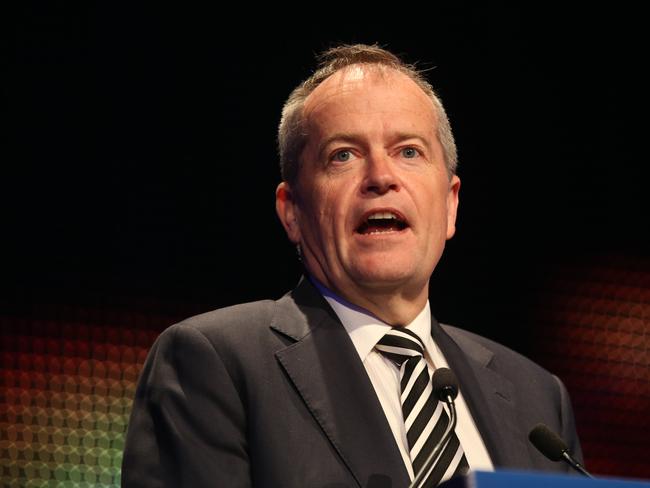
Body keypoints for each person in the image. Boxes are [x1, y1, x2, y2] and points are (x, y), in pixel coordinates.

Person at [121, 44, 582, 487]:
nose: (381, 177)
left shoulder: (536, 397)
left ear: (450, 205)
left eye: (409, 151)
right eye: (343, 155)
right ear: (293, 212)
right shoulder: (217, 363)